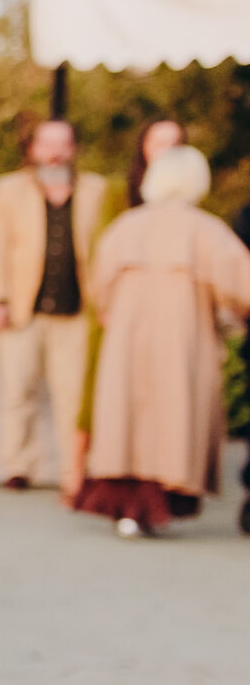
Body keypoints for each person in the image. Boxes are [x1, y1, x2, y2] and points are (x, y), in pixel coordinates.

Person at [77, 146, 250, 535]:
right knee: (173, 415)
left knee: (128, 418)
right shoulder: (206, 230)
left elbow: (98, 285)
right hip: (183, 339)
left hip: (128, 340)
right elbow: (240, 285)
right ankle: (157, 503)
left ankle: (128, 508)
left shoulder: (126, 226)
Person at [0, 118, 106, 500]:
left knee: (72, 395)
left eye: (62, 144)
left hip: (76, 309)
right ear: (33, 149)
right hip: (23, 308)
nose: (54, 153)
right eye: (46, 144)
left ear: (73, 149)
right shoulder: (9, 189)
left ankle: (75, 470)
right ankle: (17, 466)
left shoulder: (96, 190)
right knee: (17, 391)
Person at [127, 117, 185, 209]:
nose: (167, 151)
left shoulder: (193, 196)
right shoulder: (118, 195)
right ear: (144, 146)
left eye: (175, 145)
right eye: (160, 144)